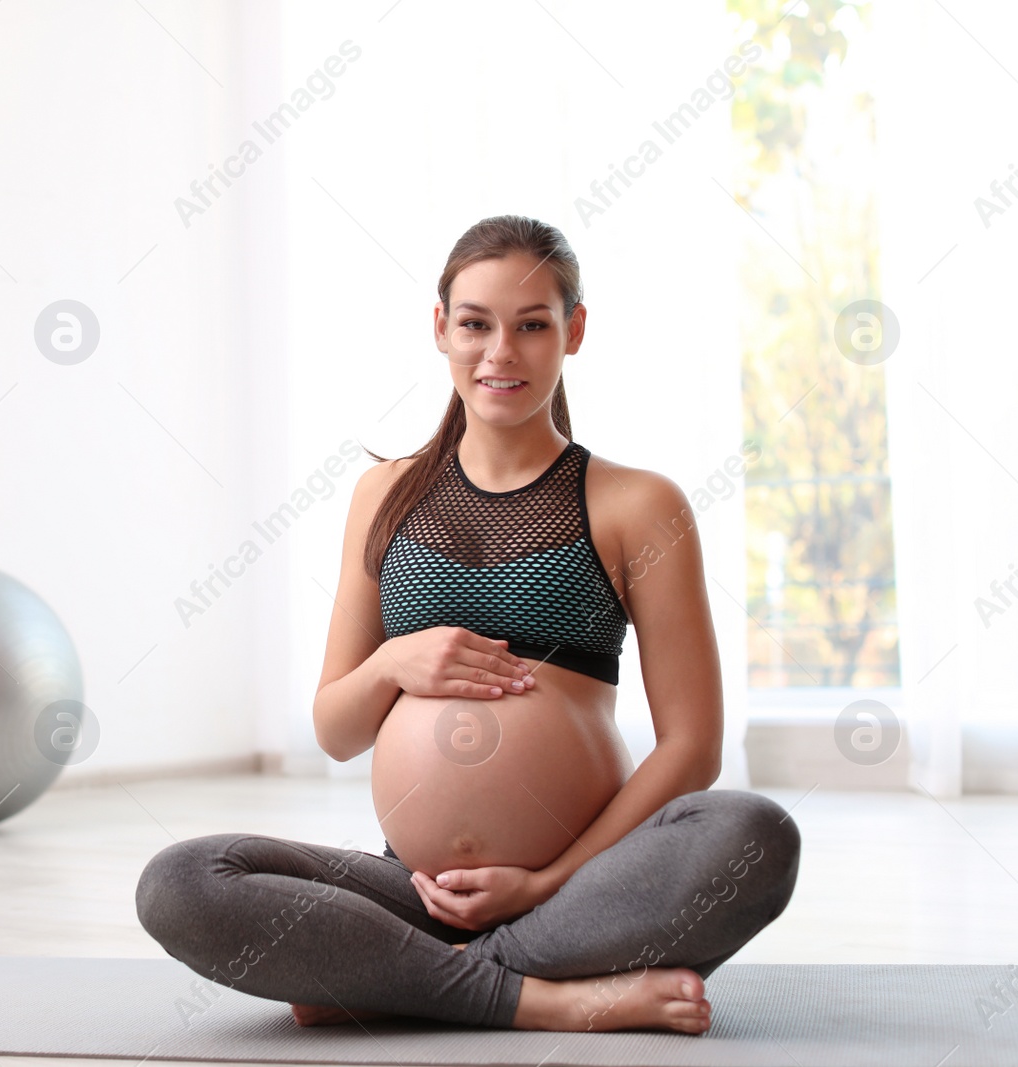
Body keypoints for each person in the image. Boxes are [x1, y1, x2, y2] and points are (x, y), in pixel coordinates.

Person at [136, 215, 800, 1034]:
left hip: (579, 890)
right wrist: (391, 665)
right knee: (186, 878)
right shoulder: (384, 495)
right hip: (411, 891)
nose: (501, 354)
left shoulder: (637, 504)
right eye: (477, 324)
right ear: (441, 328)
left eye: (532, 326)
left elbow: (692, 746)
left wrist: (545, 880)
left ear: (574, 331)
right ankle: (541, 998)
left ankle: (397, 983)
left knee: (754, 833)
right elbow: (337, 731)